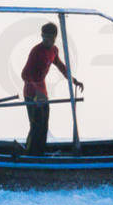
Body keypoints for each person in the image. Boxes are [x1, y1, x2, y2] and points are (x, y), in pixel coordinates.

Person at [21, 22, 84, 155]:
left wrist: (74, 81)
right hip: (31, 91)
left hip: (42, 92)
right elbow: (25, 75)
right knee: (36, 124)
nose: (47, 41)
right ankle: (31, 153)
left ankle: (39, 152)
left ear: (55, 37)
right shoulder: (36, 51)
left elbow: (61, 66)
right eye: (45, 38)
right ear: (42, 36)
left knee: (44, 124)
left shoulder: (54, 50)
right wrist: (37, 92)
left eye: (50, 38)